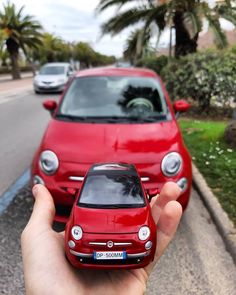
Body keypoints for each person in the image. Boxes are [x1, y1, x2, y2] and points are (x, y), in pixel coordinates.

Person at [21, 182, 182, 295]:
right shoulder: (80, 209)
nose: (109, 246)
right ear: (76, 196)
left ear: (146, 195)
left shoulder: (141, 209)